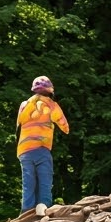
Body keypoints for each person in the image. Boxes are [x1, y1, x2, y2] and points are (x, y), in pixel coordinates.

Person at [15, 75, 70, 212]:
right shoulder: (51, 105)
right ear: (50, 91)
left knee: (28, 183)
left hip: (24, 150)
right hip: (41, 148)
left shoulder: (24, 105)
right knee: (45, 181)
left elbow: (18, 127)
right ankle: (43, 210)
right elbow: (65, 127)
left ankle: (26, 214)